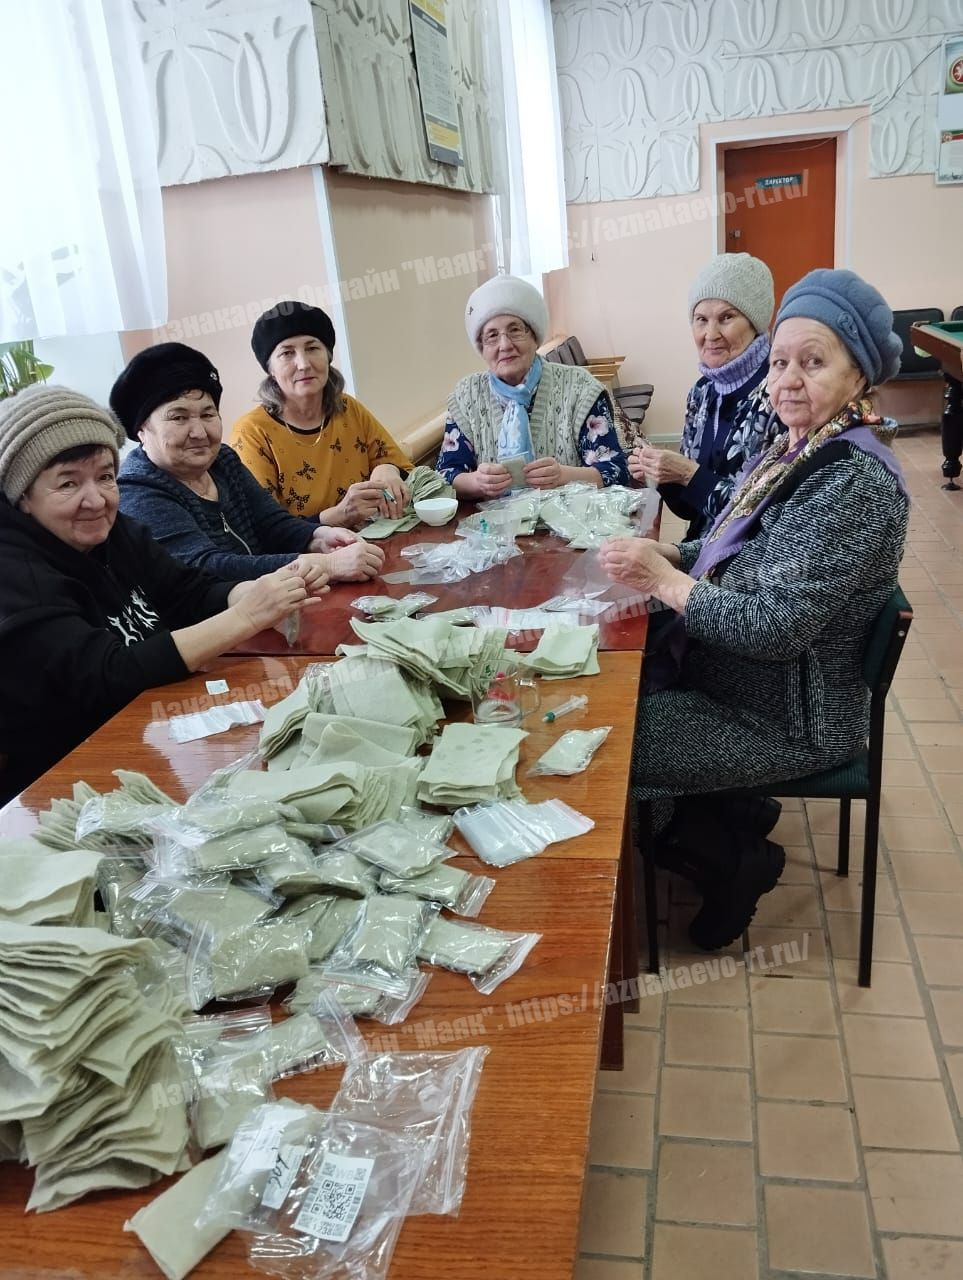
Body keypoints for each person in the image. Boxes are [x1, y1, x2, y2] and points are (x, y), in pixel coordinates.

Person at [600, 268, 907, 949]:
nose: (786, 381)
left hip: (787, 714)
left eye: (812, 362)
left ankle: (732, 861)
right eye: (779, 362)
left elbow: (773, 628)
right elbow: (733, 545)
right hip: (744, 681)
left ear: (858, 375)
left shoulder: (853, 485)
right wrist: (672, 555)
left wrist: (665, 582)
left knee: (609, 748)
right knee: (618, 684)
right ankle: (731, 812)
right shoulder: (799, 447)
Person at [0, 385, 329, 800]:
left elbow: (187, 593)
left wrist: (257, 592)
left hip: (154, 731)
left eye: (105, 477)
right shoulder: (14, 574)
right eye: (68, 484)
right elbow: (109, 676)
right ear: (23, 496)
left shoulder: (115, 532)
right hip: (70, 779)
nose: (96, 500)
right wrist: (247, 616)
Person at [113, 343, 384, 583]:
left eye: (208, 414)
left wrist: (319, 537)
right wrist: (325, 565)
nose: (199, 432)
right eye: (179, 418)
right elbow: (206, 568)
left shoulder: (222, 460)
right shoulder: (138, 492)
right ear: (142, 430)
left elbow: (273, 524)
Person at [437, 275, 630, 498]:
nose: (504, 345)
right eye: (492, 336)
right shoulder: (466, 396)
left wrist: (563, 476)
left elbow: (615, 470)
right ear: (482, 348)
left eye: (515, 330)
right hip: (494, 519)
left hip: (572, 515)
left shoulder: (580, 388)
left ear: (534, 336)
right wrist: (477, 482)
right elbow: (445, 475)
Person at [631, 253, 780, 539]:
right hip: (701, 550)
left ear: (756, 321)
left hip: (751, 557)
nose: (711, 334)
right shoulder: (701, 393)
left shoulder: (781, 396)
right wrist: (660, 475)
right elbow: (693, 512)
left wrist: (688, 474)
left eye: (726, 318)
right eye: (701, 319)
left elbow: (763, 518)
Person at [230, 302, 412, 528]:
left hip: (372, 538)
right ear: (270, 370)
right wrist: (339, 515)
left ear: (328, 356)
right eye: (287, 353)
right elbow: (267, 529)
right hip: (307, 550)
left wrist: (387, 469)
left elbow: (406, 470)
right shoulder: (252, 432)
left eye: (312, 348)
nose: (303, 364)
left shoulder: (348, 408)